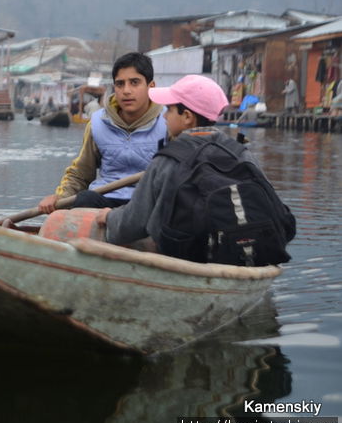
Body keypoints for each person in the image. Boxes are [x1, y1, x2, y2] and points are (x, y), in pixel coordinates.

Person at [96, 74, 293, 264]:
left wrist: (110, 218)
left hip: (188, 257)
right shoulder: (241, 153)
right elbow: (280, 214)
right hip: (241, 251)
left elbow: (133, 222)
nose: (164, 116)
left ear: (187, 117)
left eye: (170, 110)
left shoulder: (166, 160)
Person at [37, 52, 167, 213]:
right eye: (120, 84)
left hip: (149, 202)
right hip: (106, 198)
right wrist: (59, 197)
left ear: (151, 86)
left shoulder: (168, 121)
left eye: (134, 83)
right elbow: (81, 173)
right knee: (85, 199)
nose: (126, 91)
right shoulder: (98, 122)